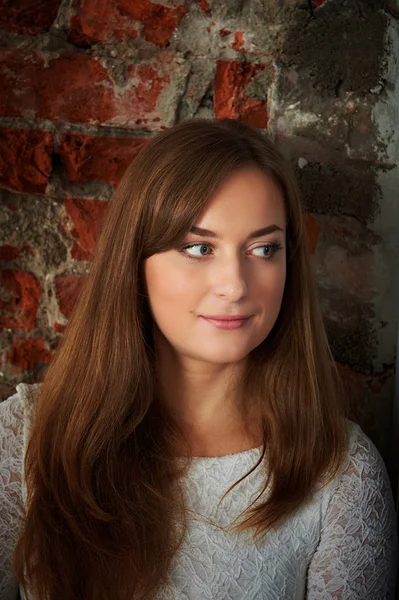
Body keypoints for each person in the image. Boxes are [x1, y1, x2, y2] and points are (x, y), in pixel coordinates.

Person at [0, 118, 397, 600]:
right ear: (135, 262)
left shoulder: (342, 475)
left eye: (264, 248)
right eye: (199, 247)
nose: (235, 284)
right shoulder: (23, 438)